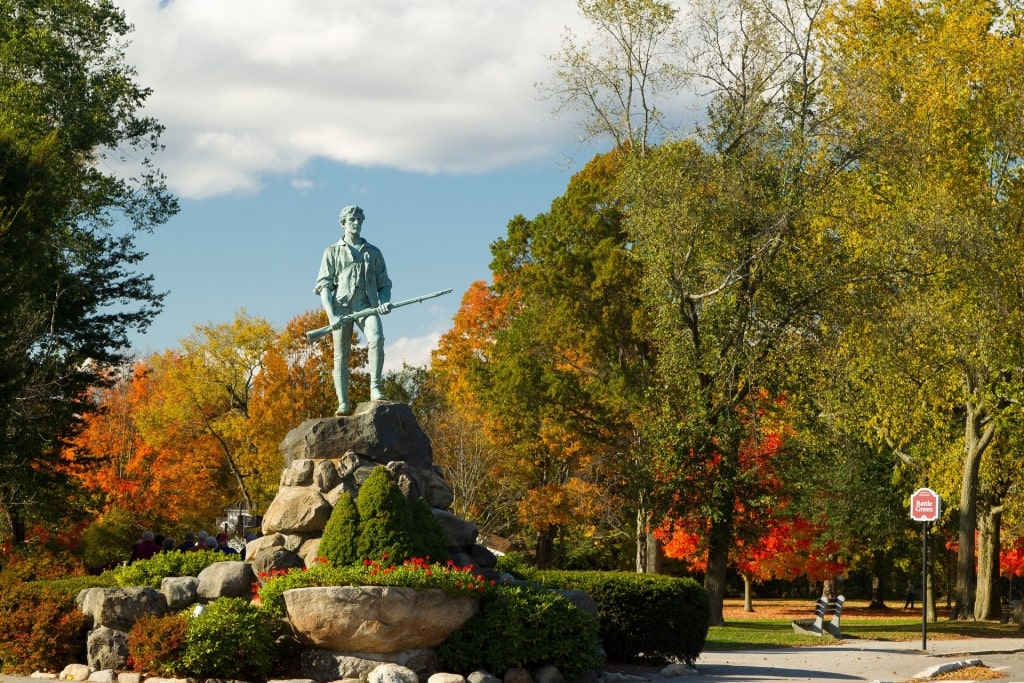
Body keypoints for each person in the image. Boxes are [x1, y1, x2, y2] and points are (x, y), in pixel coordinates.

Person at [314, 205, 392, 415]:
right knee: (341, 355)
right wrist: (332, 315)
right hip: (341, 308)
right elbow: (324, 287)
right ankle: (343, 402)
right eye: (352, 219)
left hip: (367, 305)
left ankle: (375, 388)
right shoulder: (332, 251)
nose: (356, 223)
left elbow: (384, 284)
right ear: (343, 224)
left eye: (359, 219)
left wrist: (384, 301)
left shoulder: (373, 252)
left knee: (376, 338)